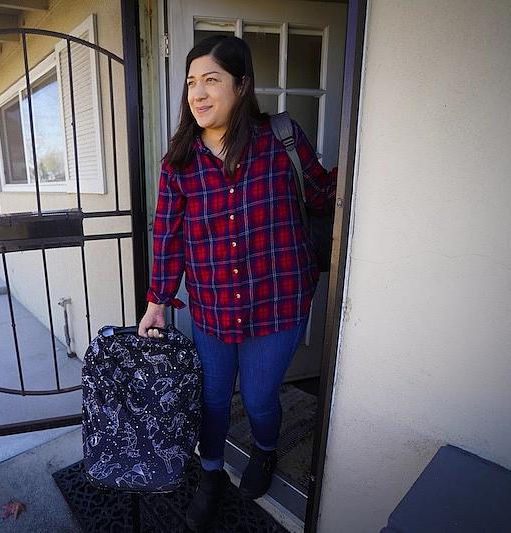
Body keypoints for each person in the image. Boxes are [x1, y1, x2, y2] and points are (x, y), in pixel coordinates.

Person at [137, 35, 337, 531]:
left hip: (279, 301)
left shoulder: (280, 138)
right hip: (212, 308)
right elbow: (168, 234)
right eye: (190, 83)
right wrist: (158, 299)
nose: (198, 94)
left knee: (261, 398)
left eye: (211, 80)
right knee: (211, 397)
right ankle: (210, 475)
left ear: (242, 85)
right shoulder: (179, 162)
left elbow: (324, 193)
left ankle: (265, 452)